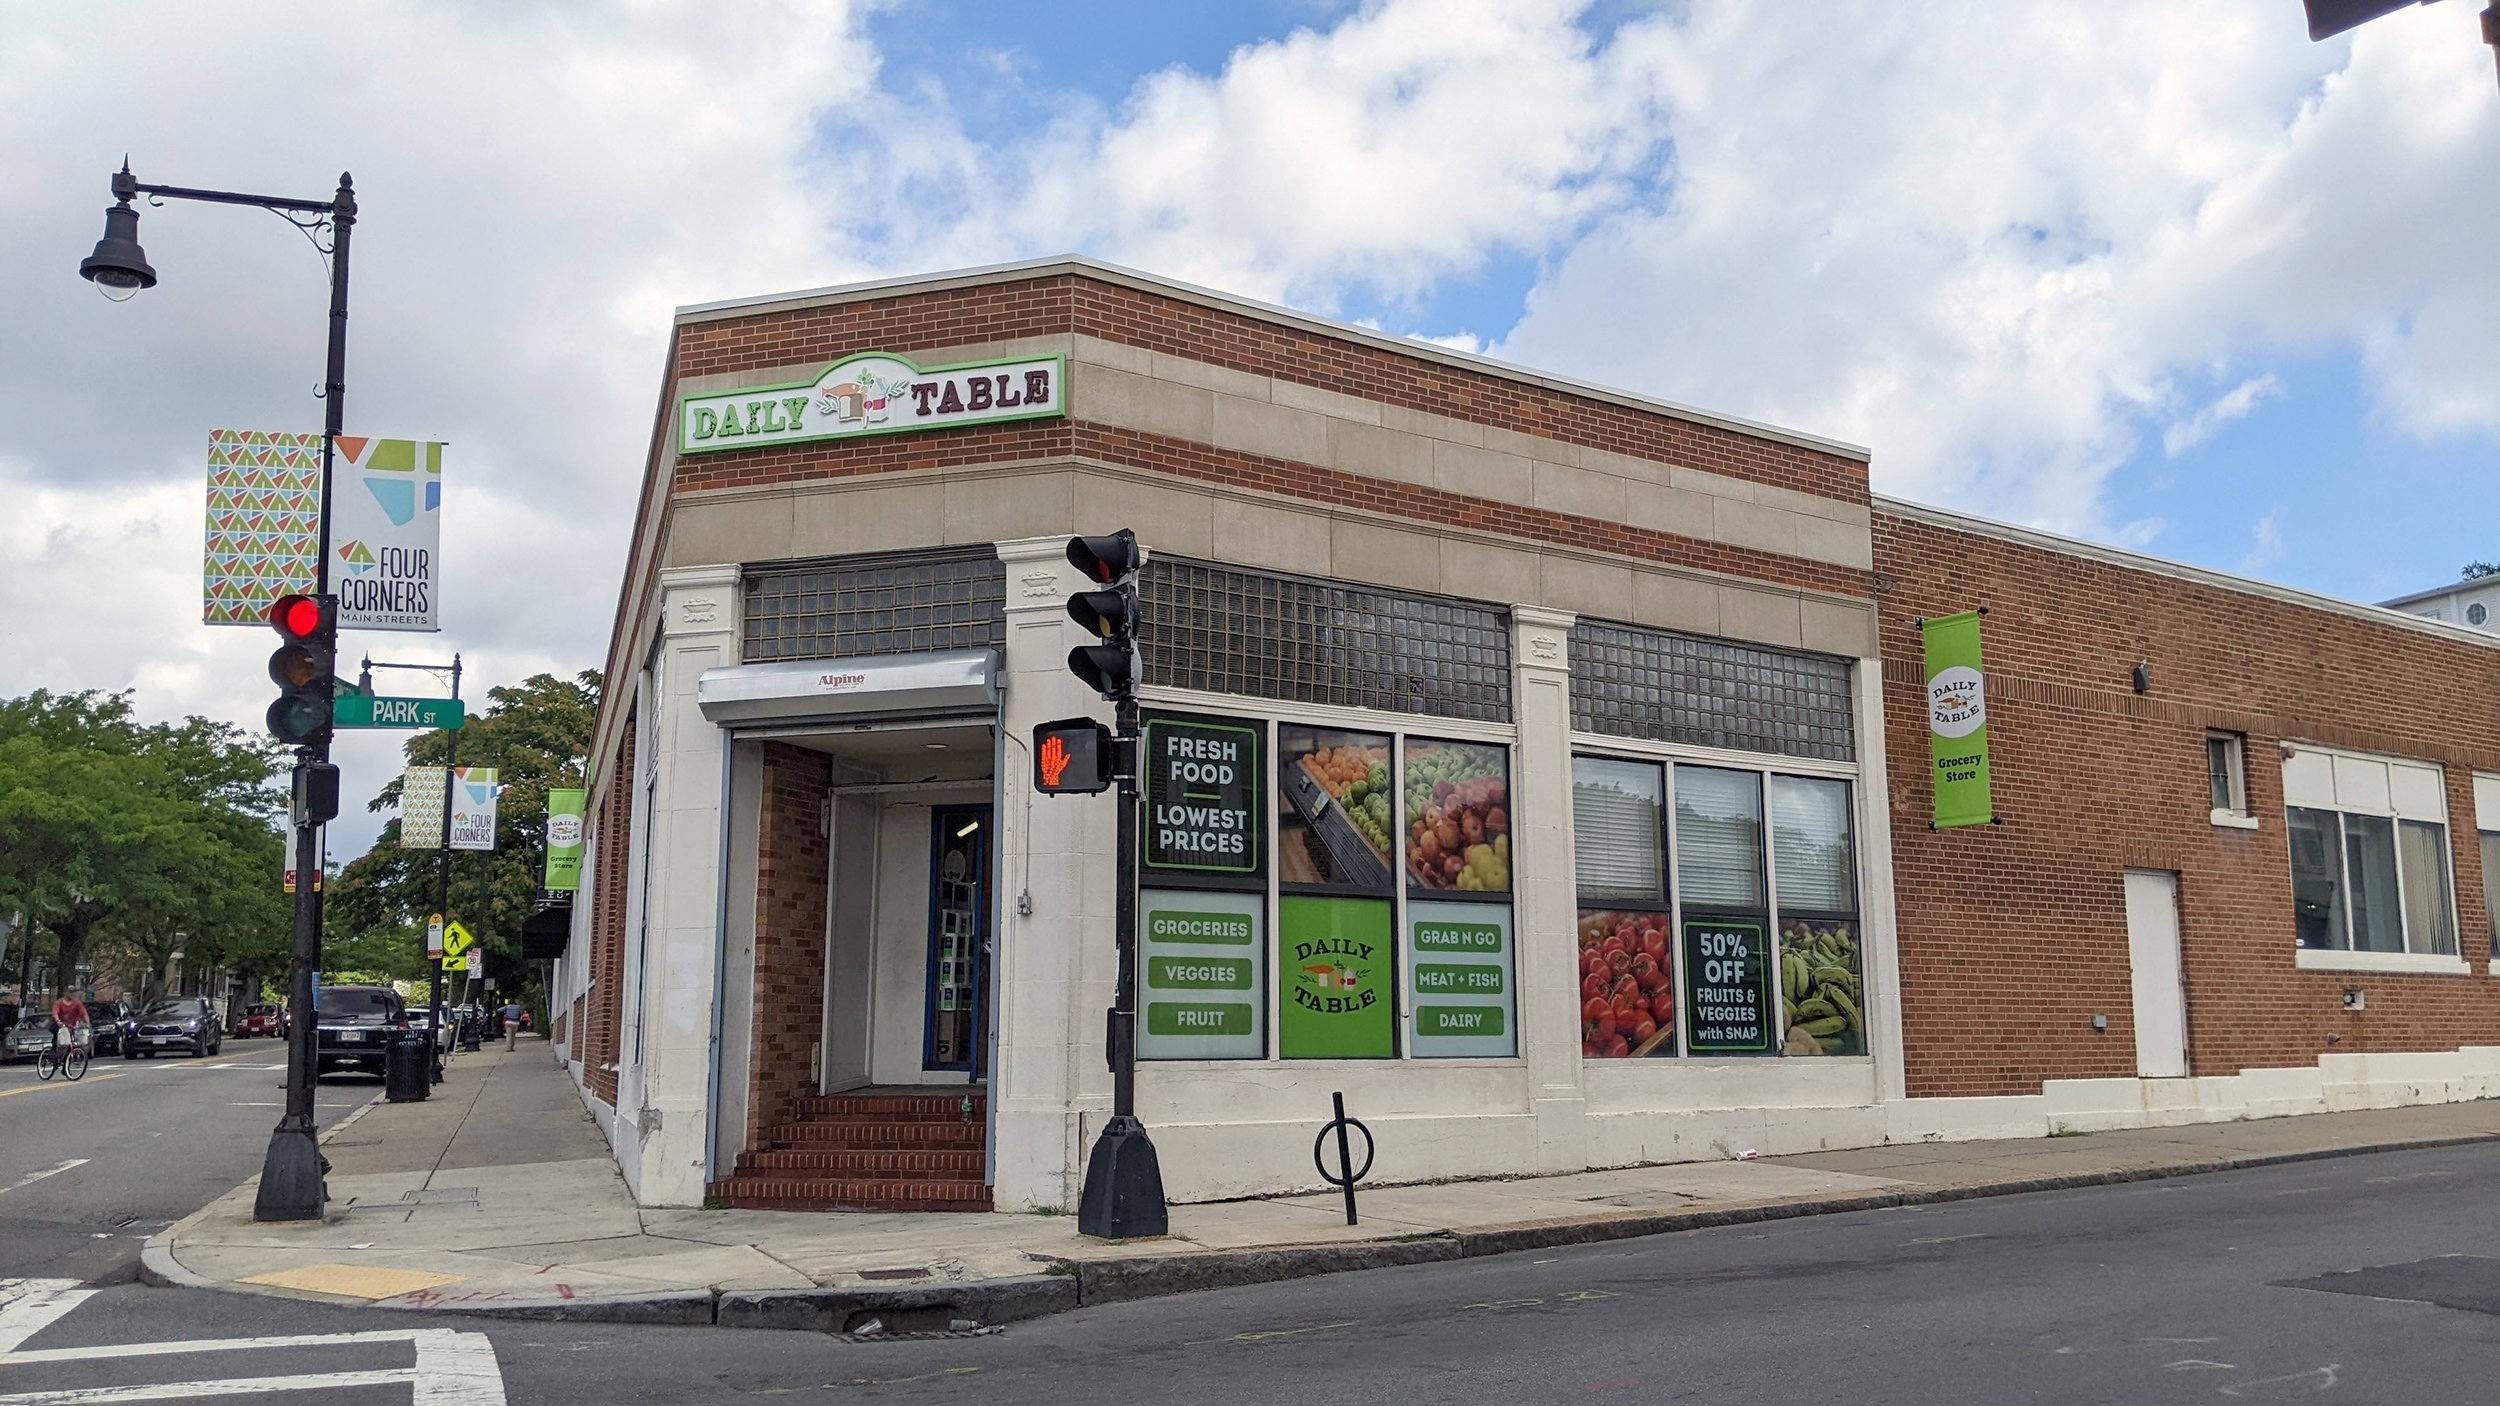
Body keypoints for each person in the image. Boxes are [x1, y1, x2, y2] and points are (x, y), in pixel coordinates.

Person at [49, 991, 90, 1060]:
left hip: (72, 1027)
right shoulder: (59, 1003)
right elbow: (55, 1012)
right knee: (60, 1042)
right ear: (66, 993)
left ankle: (68, 1059)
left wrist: (87, 1023)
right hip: (60, 1026)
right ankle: (54, 1054)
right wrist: (58, 1021)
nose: (73, 995)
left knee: (74, 1042)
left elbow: (84, 1014)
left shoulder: (77, 1003)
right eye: (71, 992)